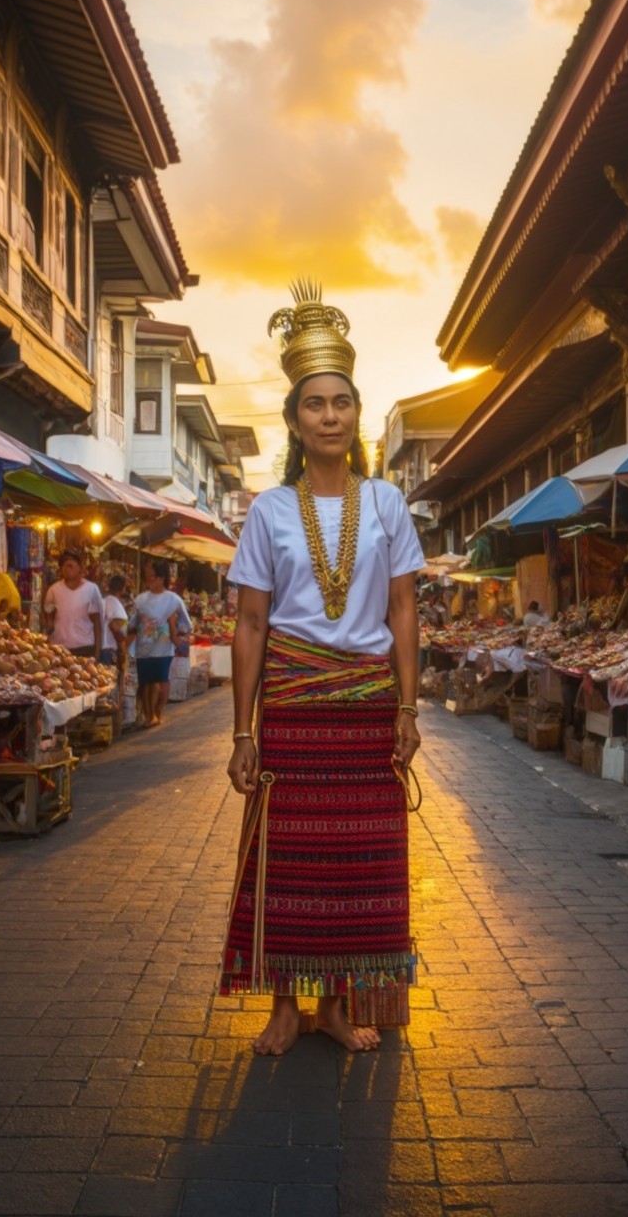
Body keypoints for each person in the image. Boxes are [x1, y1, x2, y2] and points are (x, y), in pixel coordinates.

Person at [223, 281, 424, 1057]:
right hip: (296, 706)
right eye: (315, 404)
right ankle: (282, 1003)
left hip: (369, 705)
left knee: (355, 862)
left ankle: (338, 1005)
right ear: (295, 420)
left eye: (342, 401)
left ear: (357, 415)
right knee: (288, 859)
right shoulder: (270, 510)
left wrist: (408, 709)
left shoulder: (387, 503)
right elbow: (249, 623)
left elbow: (403, 610)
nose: (331, 415)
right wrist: (242, 730)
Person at [131, 560, 191, 728]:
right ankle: (149, 715)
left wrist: (174, 630)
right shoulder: (140, 599)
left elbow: (186, 624)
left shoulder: (173, 600)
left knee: (161, 681)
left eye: (153, 576)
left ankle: (157, 714)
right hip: (143, 647)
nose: (150, 580)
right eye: (148, 577)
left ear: (162, 578)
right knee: (146, 683)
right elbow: (132, 622)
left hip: (164, 647)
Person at [42, 552, 103, 656]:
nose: (66, 568)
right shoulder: (54, 590)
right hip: (59, 647)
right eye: (63, 566)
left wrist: (97, 654)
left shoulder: (91, 589)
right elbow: (46, 617)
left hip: (84, 647)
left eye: (70, 565)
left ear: (80, 568)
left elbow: (97, 623)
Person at [101, 571, 130, 670]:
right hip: (108, 651)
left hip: (100, 649)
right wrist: (123, 651)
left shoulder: (103, 601)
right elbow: (116, 628)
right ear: (122, 589)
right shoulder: (115, 605)